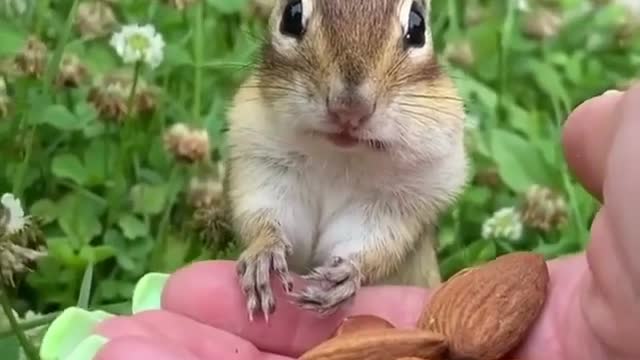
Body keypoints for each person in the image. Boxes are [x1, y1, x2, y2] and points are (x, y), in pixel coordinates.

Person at [92, 86, 640, 360]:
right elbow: (263, 183)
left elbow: (404, 209)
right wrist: (265, 236)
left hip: (403, 316)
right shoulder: (265, 117)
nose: (349, 101)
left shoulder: (426, 125)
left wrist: (358, 262)